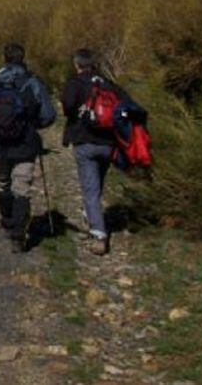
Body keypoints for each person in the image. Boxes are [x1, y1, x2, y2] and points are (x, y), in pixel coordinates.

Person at [0, 42, 56, 252]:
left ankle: (7, 219)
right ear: (23, 57)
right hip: (25, 142)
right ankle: (18, 235)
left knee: (3, 183)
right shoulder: (32, 82)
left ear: (5, 58)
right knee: (22, 187)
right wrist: (33, 124)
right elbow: (48, 115)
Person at [61, 48, 121, 256]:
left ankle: (98, 233)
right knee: (97, 182)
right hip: (108, 142)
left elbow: (67, 108)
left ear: (77, 64)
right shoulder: (108, 84)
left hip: (84, 140)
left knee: (90, 187)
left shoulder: (74, 84)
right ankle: (91, 213)